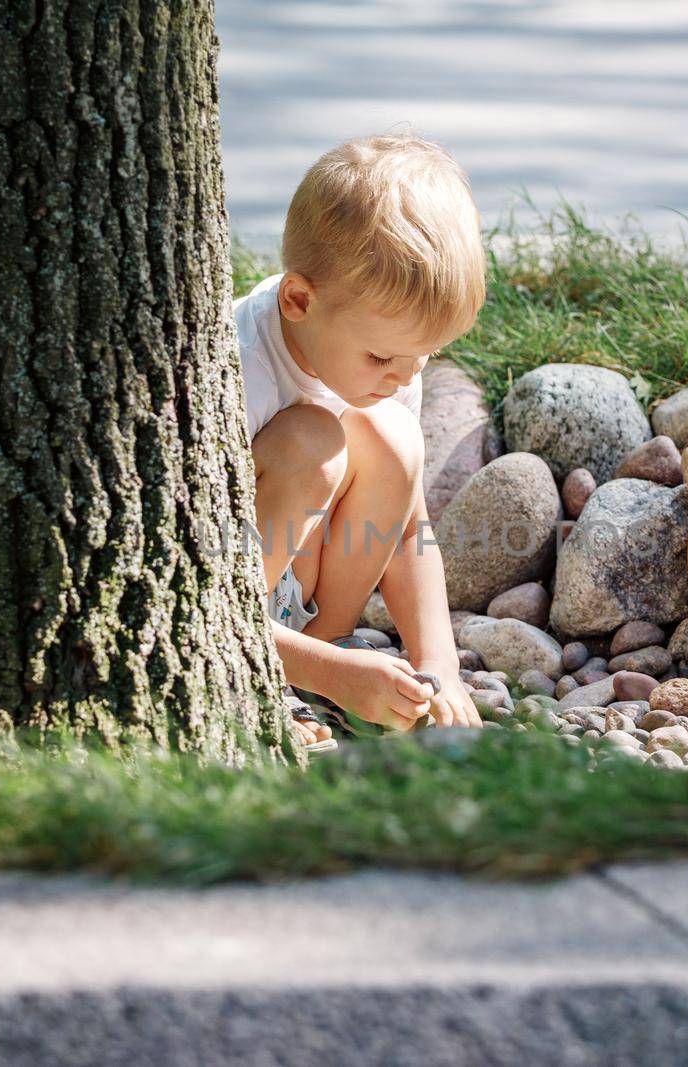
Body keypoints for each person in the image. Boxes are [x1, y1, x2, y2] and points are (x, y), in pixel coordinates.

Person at [233, 131, 486, 751]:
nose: (405, 375)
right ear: (298, 300)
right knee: (312, 440)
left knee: (394, 438)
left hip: (298, 608)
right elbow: (196, 580)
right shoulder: (237, 369)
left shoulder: (388, 367)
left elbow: (406, 530)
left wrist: (442, 668)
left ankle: (324, 667)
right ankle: (291, 674)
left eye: (426, 356)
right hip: (228, 609)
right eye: (383, 356)